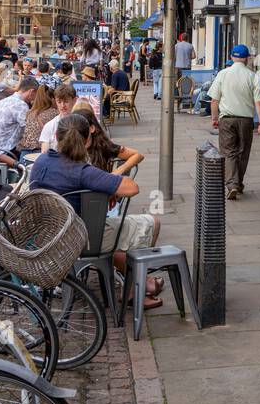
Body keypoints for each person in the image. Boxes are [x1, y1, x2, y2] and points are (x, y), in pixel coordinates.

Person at [29, 113, 163, 308]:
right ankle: (136, 289)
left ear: (56, 136)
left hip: (48, 237)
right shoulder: (82, 171)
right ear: (87, 139)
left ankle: (140, 285)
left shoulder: (42, 161)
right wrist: (108, 187)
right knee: (152, 223)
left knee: (118, 234)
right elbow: (132, 188)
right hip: (80, 240)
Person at [207, 44, 260, 200]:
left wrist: (214, 118)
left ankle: (232, 184)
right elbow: (259, 102)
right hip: (246, 121)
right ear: (247, 59)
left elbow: (214, 100)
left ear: (232, 57)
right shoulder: (253, 76)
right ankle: (238, 183)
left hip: (227, 119)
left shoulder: (223, 74)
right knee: (243, 152)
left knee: (229, 152)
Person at [0, 76, 41, 162]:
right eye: (36, 95)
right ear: (31, 92)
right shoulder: (21, 105)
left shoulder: (5, 100)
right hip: (1, 151)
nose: (35, 98)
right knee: (35, 155)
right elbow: (31, 131)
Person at [17, 83, 58, 153]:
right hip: (41, 152)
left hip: (24, 152)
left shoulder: (29, 113)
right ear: (51, 99)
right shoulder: (55, 113)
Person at [39, 83, 78, 153]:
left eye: (66, 101)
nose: (62, 105)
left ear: (74, 100)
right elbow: (44, 153)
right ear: (55, 101)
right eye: (59, 102)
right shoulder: (49, 126)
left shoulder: (81, 123)